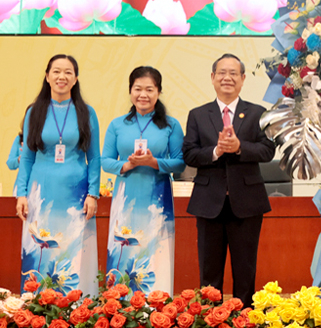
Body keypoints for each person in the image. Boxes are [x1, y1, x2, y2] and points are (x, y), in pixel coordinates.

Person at [182, 53, 276, 307]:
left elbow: (268, 150)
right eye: (222, 72)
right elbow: (189, 154)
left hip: (246, 203)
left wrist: (238, 147)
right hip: (208, 202)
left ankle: (244, 323)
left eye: (233, 73)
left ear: (243, 79)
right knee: (209, 270)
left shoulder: (258, 113)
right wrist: (216, 151)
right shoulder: (198, 114)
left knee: (245, 269)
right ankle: (210, 325)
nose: (227, 78)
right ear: (212, 78)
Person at [14, 55, 100, 295]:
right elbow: (28, 157)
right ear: (47, 76)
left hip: (76, 195)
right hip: (40, 194)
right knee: (40, 247)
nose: (62, 77)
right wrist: (21, 194)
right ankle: (36, 310)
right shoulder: (35, 111)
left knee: (72, 251)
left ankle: (77, 308)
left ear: (75, 79)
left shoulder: (86, 112)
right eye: (56, 71)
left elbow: (94, 158)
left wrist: (93, 193)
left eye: (68, 72)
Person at [101, 67, 185, 295]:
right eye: (138, 89)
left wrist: (154, 163)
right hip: (125, 197)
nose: (143, 94)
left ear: (158, 92)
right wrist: (125, 166)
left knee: (155, 252)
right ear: (130, 91)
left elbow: (180, 163)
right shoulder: (117, 124)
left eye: (150, 89)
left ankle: (157, 307)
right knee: (124, 248)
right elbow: (105, 161)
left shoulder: (171, 125)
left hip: (157, 198)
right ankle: (119, 306)